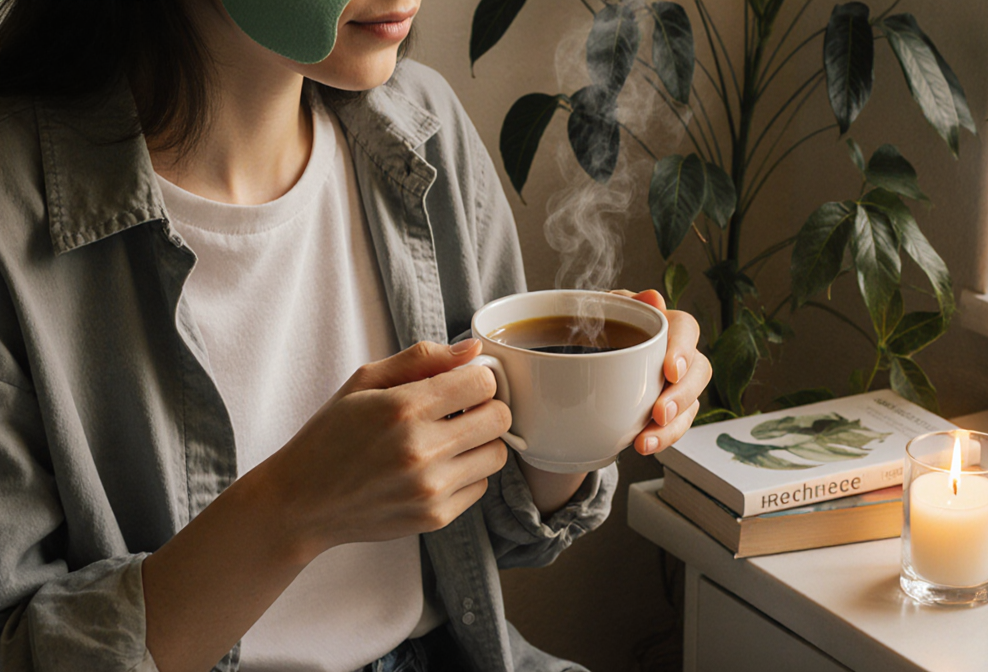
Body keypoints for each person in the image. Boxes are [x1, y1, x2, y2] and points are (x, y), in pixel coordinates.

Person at [0, 1, 711, 671]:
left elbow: (499, 533)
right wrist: (292, 508)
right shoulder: (14, 205)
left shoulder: (425, 122)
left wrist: (589, 404)